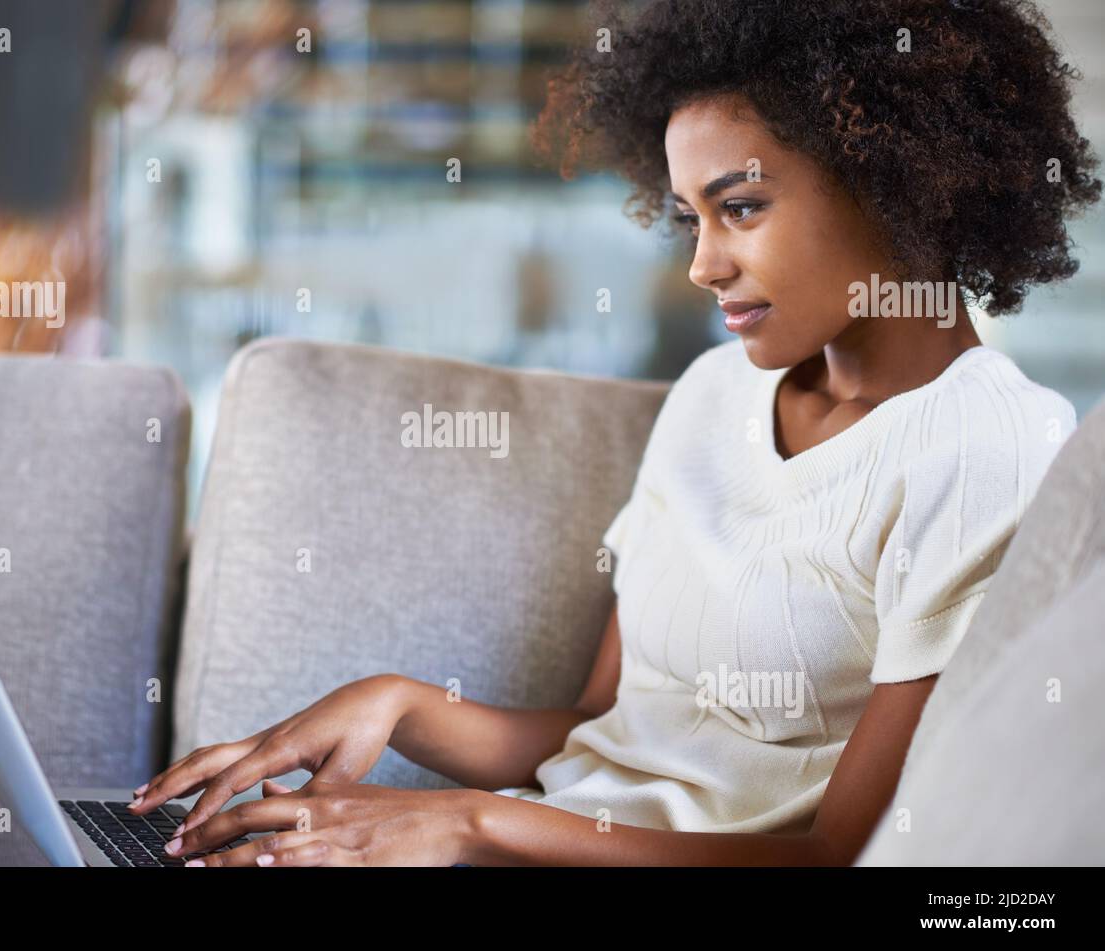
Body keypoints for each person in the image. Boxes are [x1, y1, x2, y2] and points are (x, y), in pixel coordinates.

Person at [128, 0, 1100, 865]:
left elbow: (842, 856)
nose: (703, 266)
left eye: (742, 209)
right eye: (688, 220)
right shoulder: (714, 393)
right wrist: (398, 703)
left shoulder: (985, 449)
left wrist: (471, 823)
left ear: (897, 180)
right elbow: (605, 730)